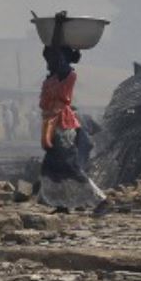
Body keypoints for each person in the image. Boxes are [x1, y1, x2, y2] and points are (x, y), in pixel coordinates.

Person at [33, 16, 105, 212]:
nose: (47, 60)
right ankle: (62, 203)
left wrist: (57, 26)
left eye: (50, 57)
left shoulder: (65, 74)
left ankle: (100, 200)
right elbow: (55, 51)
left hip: (63, 126)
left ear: (59, 59)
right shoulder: (54, 75)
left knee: (69, 167)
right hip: (54, 125)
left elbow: (56, 49)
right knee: (51, 167)